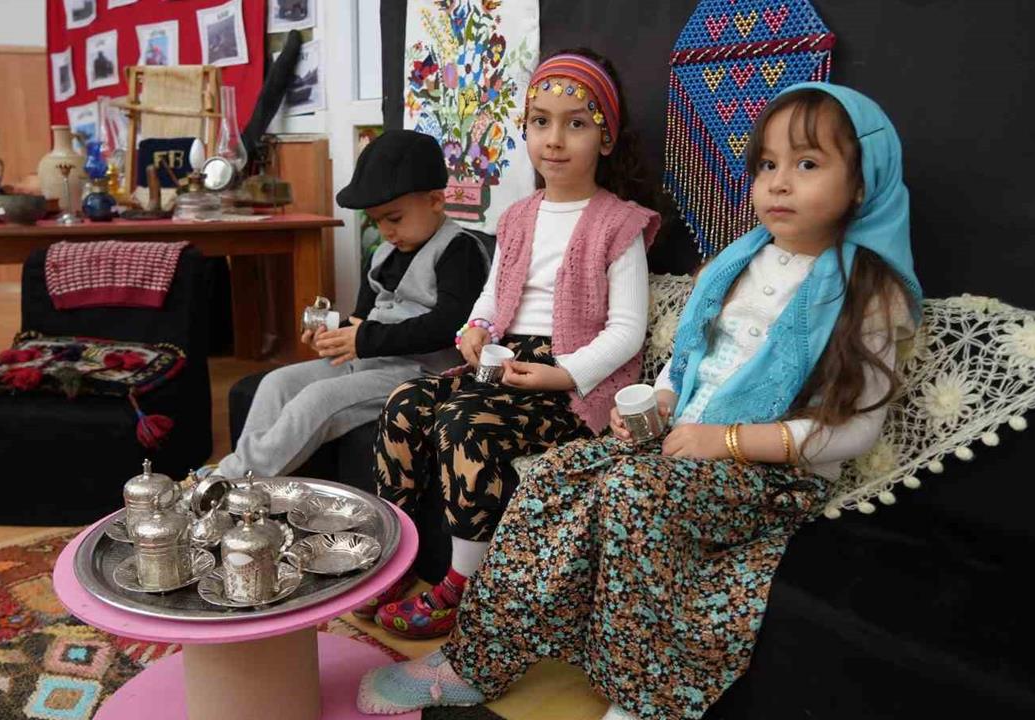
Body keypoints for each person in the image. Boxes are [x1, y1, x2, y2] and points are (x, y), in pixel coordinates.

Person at [357, 82, 922, 719]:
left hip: (773, 475)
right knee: (553, 476)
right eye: (767, 165)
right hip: (684, 448)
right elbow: (688, 366)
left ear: (864, 182)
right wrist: (654, 405)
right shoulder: (736, 264)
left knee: (632, 493)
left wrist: (726, 441)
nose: (780, 183)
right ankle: (473, 660)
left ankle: (641, 702)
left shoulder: (869, 293)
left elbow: (852, 431)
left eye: (808, 164)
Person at [361, 49, 663, 639]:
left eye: (577, 124)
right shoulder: (519, 216)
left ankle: (462, 586)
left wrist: (564, 373)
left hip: (567, 384)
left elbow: (628, 331)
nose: (555, 139)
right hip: (504, 366)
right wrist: (475, 329)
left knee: (463, 427)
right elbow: (493, 296)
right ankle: (397, 554)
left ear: (605, 138)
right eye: (540, 121)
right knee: (404, 404)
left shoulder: (618, 224)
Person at [214, 130, 489, 479]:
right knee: (276, 383)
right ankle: (242, 473)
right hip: (370, 361)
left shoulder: (459, 250)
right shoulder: (383, 254)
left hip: (423, 374)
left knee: (317, 399)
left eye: (394, 218)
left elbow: (449, 325)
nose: (386, 231)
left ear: (435, 200)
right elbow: (361, 320)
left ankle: (229, 481)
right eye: (377, 221)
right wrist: (332, 334)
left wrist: (363, 339)